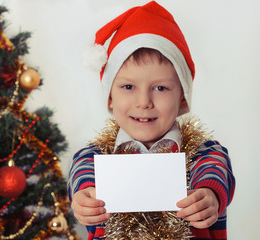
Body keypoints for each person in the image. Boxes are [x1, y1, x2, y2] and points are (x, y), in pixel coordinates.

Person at [67, 1, 235, 240]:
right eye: (128, 86)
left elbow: (216, 173)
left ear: (183, 100)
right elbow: (81, 180)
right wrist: (84, 200)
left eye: (160, 87)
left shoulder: (204, 153)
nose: (143, 101)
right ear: (110, 97)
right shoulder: (93, 158)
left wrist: (208, 196)